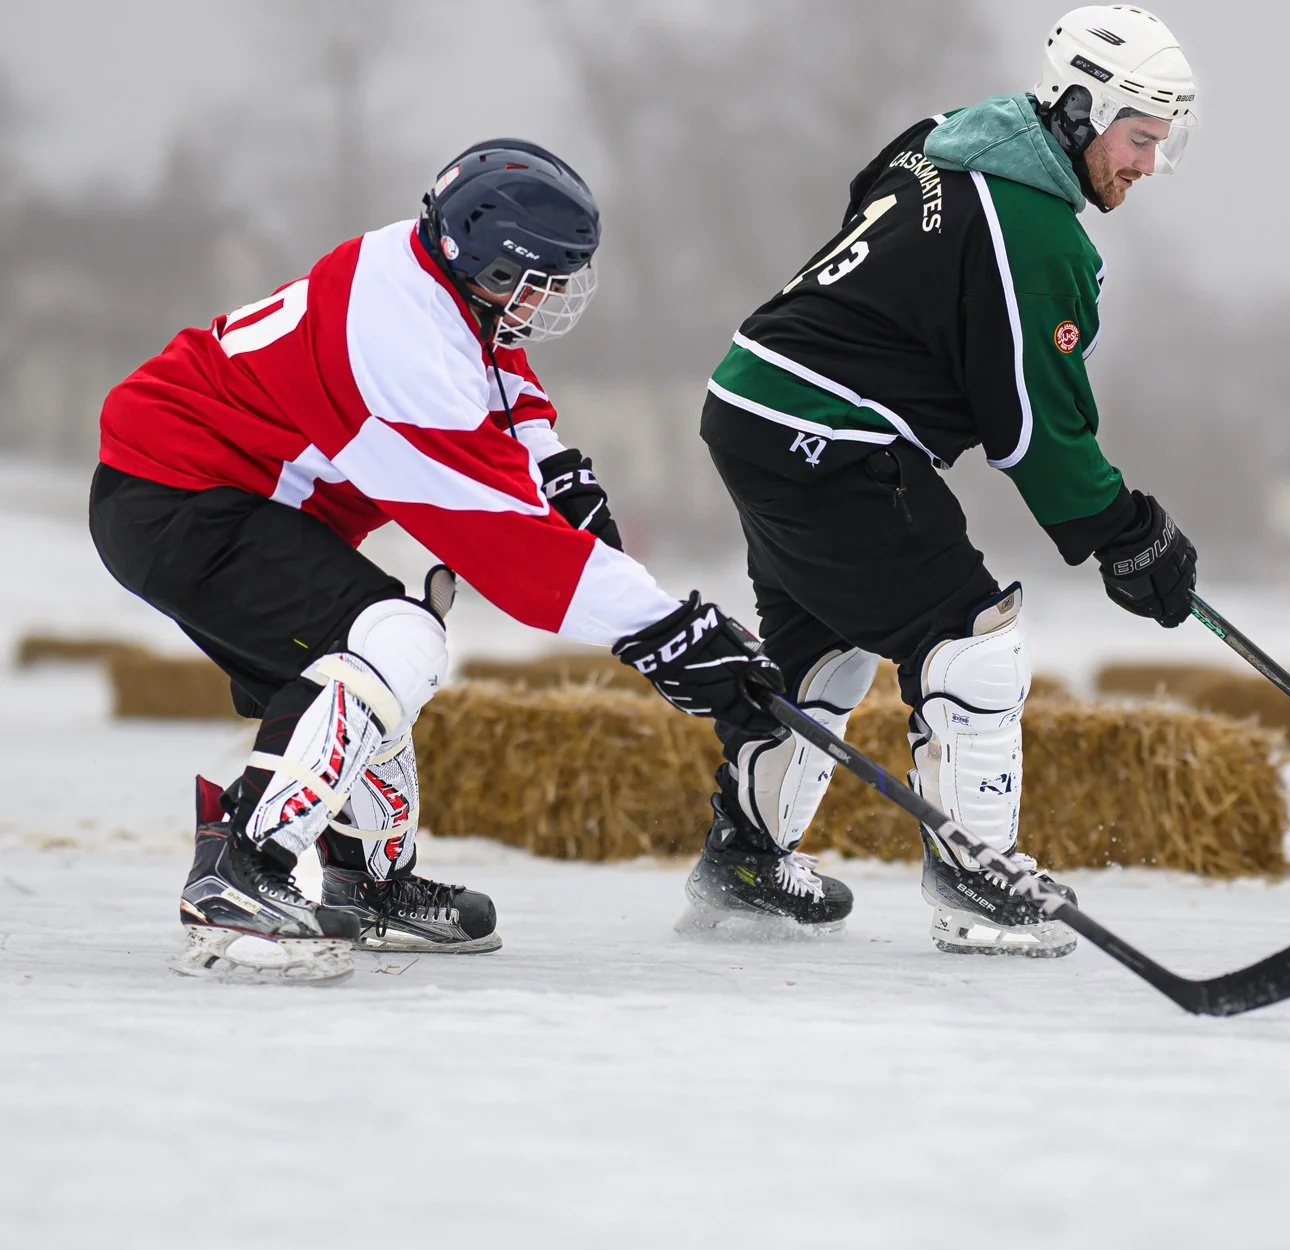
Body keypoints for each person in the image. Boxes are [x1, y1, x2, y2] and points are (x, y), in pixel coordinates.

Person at [91, 139, 782, 983]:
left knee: (368, 670)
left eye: (551, 285)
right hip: (181, 499)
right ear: (474, 259)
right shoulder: (399, 351)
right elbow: (507, 550)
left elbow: (499, 371)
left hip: (210, 493)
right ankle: (241, 873)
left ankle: (366, 884)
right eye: (522, 284)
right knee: (397, 638)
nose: (537, 303)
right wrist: (667, 634)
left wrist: (554, 470)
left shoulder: (430, 273)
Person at [687, 6, 1202, 955]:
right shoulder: (1035, 229)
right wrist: (1124, 532)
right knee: (973, 644)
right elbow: (1035, 425)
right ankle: (979, 882)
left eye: (1162, 146)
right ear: (1082, 109)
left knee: (828, 645)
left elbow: (867, 211)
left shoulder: (942, 135)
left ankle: (746, 862)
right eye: (1138, 138)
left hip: (749, 404)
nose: (1145, 166)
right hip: (828, 434)